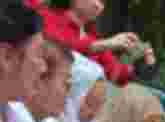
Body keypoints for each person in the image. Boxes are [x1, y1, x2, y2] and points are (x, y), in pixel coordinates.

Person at [28, 0, 156, 85]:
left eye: (102, 2)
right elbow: (54, 45)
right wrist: (101, 45)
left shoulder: (93, 38)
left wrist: (142, 61)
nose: (98, 5)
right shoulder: (48, 15)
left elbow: (118, 75)